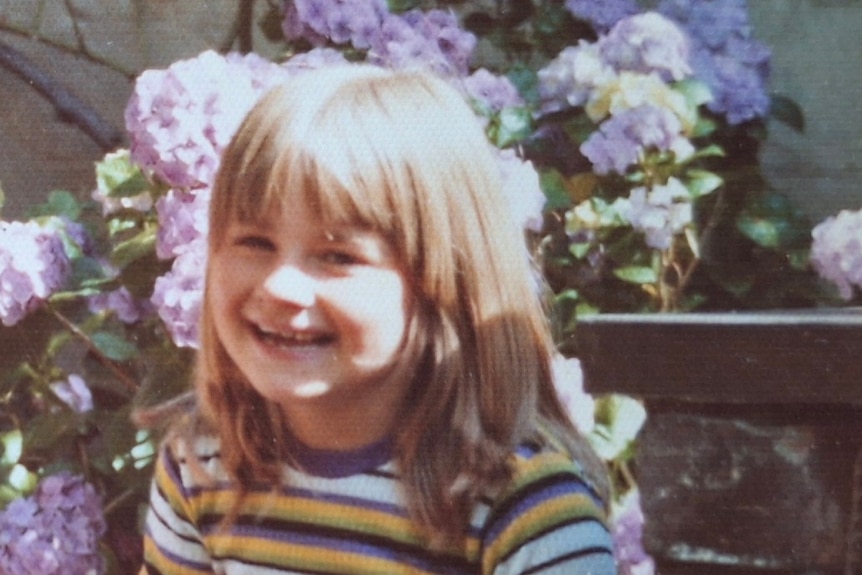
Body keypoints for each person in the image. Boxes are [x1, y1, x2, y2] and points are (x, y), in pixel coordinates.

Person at [139, 64, 616, 575]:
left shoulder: (522, 508)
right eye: (255, 243)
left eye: (338, 256)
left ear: (441, 285)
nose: (280, 285)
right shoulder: (206, 467)